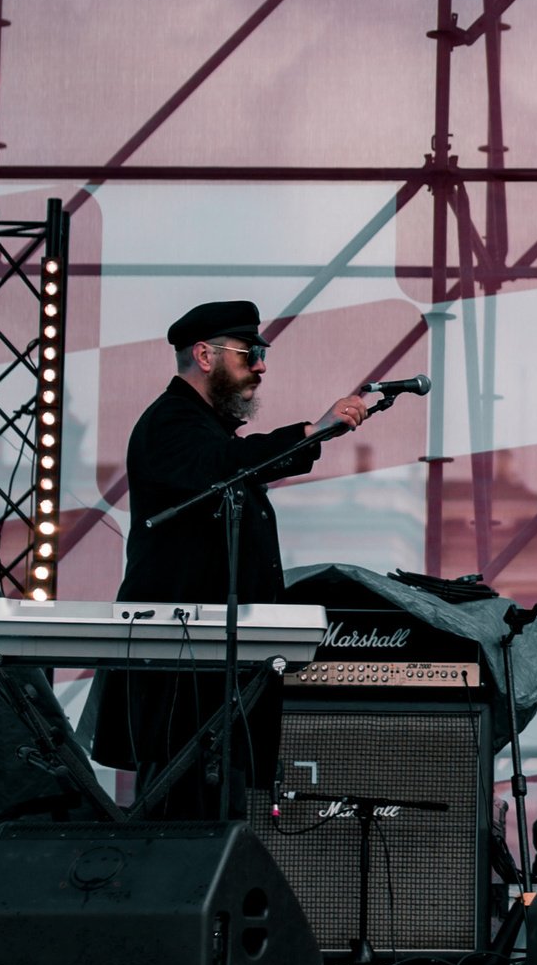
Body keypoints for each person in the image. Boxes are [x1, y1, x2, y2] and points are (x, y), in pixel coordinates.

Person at [100, 302, 375, 815]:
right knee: (181, 815)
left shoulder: (203, 428)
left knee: (216, 808)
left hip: (213, 662)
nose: (262, 366)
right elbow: (228, 463)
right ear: (205, 356)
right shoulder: (170, 424)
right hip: (182, 666)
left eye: (261, 353)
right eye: (250, 353)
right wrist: (314, 431)